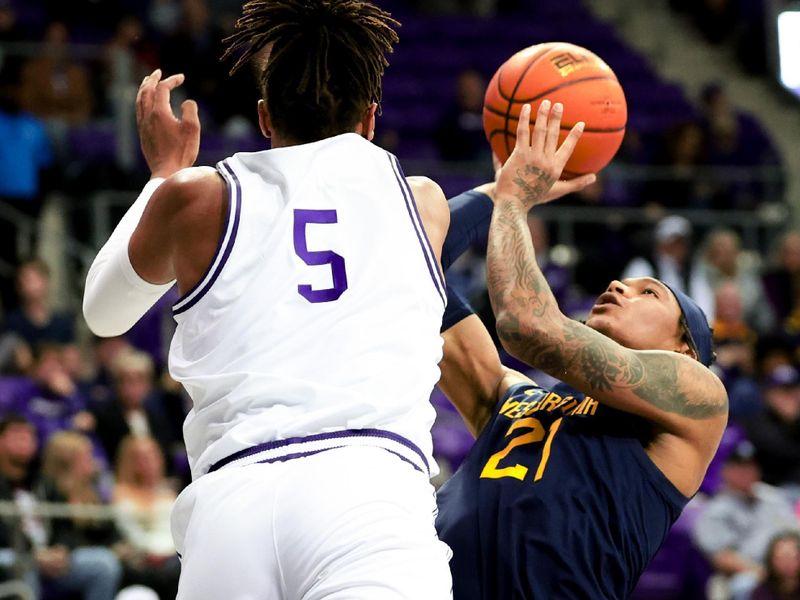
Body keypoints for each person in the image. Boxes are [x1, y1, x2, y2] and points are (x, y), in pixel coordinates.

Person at [82, 1, 455, 597]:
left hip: (235, 500)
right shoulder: (423, 204)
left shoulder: (200, 198)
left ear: (263, 117)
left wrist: (162, 177)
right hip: (369, 492)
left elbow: (103, 314)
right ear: (371, 119)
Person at [434, 100, 729, 599]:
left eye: (648, 292)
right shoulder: (512, 400)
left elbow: (527, 326)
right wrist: (495, 191)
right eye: (625, 281)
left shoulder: (698, 395)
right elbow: (413, 262)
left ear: (684, 347)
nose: (618, 286)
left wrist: (515, 203)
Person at [693, 439, 799, 600]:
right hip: (748, 573)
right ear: (725, 471)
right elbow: (721, 557)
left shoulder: (774, 497)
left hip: (787, 568)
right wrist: (762, 572)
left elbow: (794, 535)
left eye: (750, 466)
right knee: (744, 585)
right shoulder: (715, 510)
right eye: (740, 467)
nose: (746, 472)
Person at [751, 531, 800, 600]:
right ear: (770, 560)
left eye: (793, 557)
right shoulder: (761, 592)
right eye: (780, 558)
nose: (787, 563)